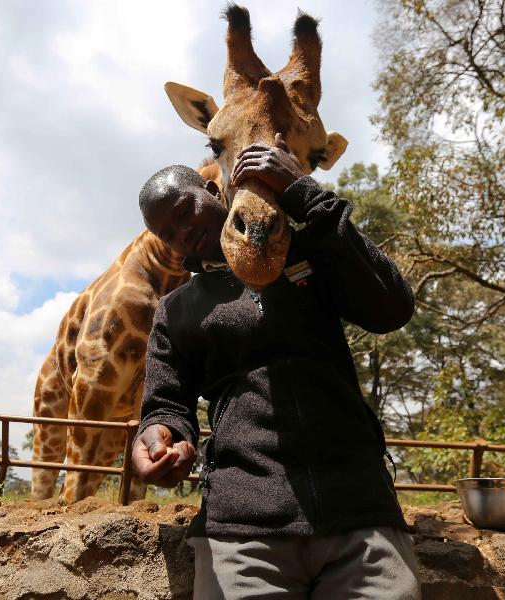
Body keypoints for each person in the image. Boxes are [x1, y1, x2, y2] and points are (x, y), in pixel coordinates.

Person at [133, 134, 421, 599]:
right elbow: (165, 405)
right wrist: (161, 439)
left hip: (360, 514)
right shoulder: (177, 310)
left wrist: (299, 190)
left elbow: (393, 308)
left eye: (184, 211)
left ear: (213, 189)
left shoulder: (308, 254)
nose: (181, 232)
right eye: (166, 232)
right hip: (242, 529)